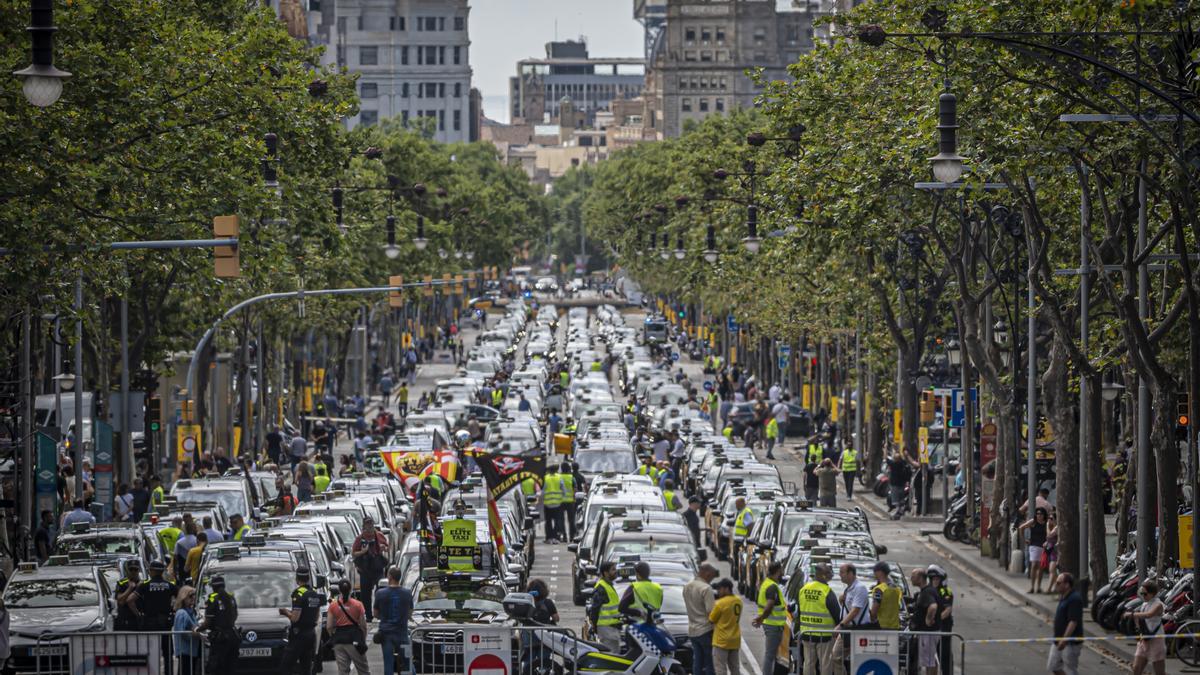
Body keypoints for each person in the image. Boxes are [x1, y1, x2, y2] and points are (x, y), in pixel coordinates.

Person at [797, 562, 841, 675]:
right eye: (828, 573)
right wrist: (839, 628)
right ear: (823, 575)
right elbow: (836, 613)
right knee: (825, 663)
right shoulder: (826, 592)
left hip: (807, 633)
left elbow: (800, 611)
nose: (831, 575)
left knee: (808, 663)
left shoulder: (804, 589)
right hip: (824, 635)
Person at [279, 568, 322, 675]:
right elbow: (316, 617)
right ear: (308, 578)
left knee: (285, 666)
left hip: (299, 636)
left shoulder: (298, 594)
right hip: (311, 635)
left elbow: (295, 618)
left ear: (297, 579)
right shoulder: (314, 594)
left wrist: (285, 612)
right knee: (306, 668)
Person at [139, 560, 177, 674]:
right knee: (167, 653)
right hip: (165, 624)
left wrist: (139, 613)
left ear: (152, 571)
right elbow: (182, 596)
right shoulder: (170, 586)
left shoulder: (144, 586)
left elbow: (131, 600)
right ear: (161, 572)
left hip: (150, 624)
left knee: (151, 653)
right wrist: (174, 610)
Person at [196, 574, 239, 673]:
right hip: (233, 636)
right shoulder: (231, 598)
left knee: (216, 668)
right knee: (230, 668)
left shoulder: (212, 599)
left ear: (213, 587)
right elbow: (235, 616)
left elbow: (207, 623)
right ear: (224, 585)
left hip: (220, 639)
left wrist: (197, 629)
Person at [374, 566, 413, 675]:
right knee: (408, 663)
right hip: (402, 633)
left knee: (388, 664)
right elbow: (410, 613)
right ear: (400, 577)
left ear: (389, 577)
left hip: (386, 634)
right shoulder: (407, 593)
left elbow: (375, 614)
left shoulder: (380, 593)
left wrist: (383, 617)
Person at [327, 579, 371, 675]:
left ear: (339, 590)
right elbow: (363, 625)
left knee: (343, 671)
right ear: (350, 589)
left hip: (339, 641)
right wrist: (362, 639)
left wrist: (333, 637)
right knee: (363, 670)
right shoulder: (358, 605)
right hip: (354, 640)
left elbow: (329, 626)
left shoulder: (333, 605)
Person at [832, 562, 870, 675]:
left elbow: (855, 611)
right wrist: (841, 601)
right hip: (847, 630)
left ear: (851, 574)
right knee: (835, 657)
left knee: (857, 662)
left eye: (842, 572)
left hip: (857, 630)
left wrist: (841, 625)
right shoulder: (848, 588)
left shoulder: (860, 588)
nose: (840, 575)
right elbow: (848, 608)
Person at [752, 562, 787, 675]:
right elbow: (769, 606)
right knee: (770, 655)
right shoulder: (772, 586)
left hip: (771, 624)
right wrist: (761, 618)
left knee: (771, 654)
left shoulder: (767, 583)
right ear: (777, 571)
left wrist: (761, 618)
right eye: (781, 570)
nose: (782, 572)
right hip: (773, 625)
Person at [683, 564, 718, 675]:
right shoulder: (706, 588)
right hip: (705, 630)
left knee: (697, 660)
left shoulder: (687, 586)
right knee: (709, 662)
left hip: (692, 630)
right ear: (707, 574)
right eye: (711, 577)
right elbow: (711, 612)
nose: (711, 579)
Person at [353, 517, 389, 621]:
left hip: (377, 568)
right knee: (365, 595)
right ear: (363, 527)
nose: (369, 529)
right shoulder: (359, 539)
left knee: (381, 589)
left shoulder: (379, 535)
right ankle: (368, 615)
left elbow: (387, 546)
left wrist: (382, 547)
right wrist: (363, 551)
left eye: (371, 526)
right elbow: (354, 553)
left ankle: (379, 611)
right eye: (367, 527)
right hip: (365, 570)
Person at [1048, 573, 1083, 675]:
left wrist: (1065, 639)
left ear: (1067, 585)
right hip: (1058, 640)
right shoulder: (1064, 596)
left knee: (1070, 670)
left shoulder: (1074, 599)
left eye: (1058, 583)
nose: (1056, 584)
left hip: (1070, 642)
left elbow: (1073, 621)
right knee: (1053, 665)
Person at [909, 567, 941, 675]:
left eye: (913, 577)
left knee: (929, 661)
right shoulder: (927, 591)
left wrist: (928, 620)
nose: (911, 579)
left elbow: (933, 606)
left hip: (928, 632)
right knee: (930, 660)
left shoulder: (927, 592)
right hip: (929, 632)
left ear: (921, 578)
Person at [1130, 580, 1166, 675]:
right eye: (1141, 593)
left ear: (1152, 593)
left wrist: (1132, 614)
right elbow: (1140, 619)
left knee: (1159, 672)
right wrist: (1139, 629)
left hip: (1156, 640)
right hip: (1145, 639)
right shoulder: (1145, 604)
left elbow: (1149, 615)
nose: (1143, 596)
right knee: (1136, 668)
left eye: (1145, 594)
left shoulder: (1158, 604)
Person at [709, 578, 742, 675]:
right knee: (735, 668)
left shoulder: (720, 603)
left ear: (727, 589)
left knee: (720, 669)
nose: (718, 591)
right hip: (735, 640)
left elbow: (711, 619)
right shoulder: (738, 601)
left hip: (721, 641)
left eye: (720, 589)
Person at [588, 562, 623, 652]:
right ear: (605, 573)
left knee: (615, 655)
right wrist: (594, 626)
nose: (616, 571)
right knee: (611, 657)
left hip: (612, 628)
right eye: (613, 569)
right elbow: (595, 609)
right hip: (606, 629)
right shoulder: (601, 588)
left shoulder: (608, 585)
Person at [1020, 507, 1050, 593]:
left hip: (1043, 547)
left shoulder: (1047, 523)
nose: (1039, 515)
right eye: (1037, 514)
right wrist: (1024, 539)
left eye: (1041, 514)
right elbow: (1021, 527)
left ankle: (1038, 587)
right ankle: (1032, 587)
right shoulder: (1033, 522)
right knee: (1034, 565)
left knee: (1040, 568)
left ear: (1044, 515)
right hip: (1033, 546)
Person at [172, 586, 201, 675]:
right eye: (191, 595)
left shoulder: (191, 612)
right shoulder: (181, 613)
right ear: (183, 597)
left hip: (192, 651)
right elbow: (182, 632)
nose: (193, 597)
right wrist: (195, 634)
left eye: (194, 595)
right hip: (185, 651)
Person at [932, 565, 955, 675]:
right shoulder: (930, 591)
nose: (934, 581)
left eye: (936, 579)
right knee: (932, 656)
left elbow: (947, 610)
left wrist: (936, 619)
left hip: (943, 628)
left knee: (944, 654)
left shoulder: (946, 592)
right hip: (932, 628)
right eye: (932, 579)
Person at [869, 561, 902, 630]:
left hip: (881, 627)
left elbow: (874, 611)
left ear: (880, 572)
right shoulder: (897, 589)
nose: (874, 574)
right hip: (895, 627)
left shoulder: (879, 590)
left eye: (875, 572)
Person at [114, 560, 143, 630]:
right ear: (127, 570)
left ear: (139, 570)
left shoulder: (143, 584)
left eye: (135, 569)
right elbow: (120, 601)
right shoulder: (121, 583)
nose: (133, 571)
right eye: (131, 569)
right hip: (125, 619)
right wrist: (129, 589)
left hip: (138, 620)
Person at [542, 465, 566, 544]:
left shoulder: (546, 478)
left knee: (548, 522)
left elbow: (543, 491)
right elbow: (564, 490)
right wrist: (561, 498)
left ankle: (549, 537)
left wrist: (543, 499)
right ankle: (556, 537)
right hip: (557, 504)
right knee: (557, 521)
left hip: (547, 504)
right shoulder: (559, 477)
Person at [886, 452, 913, 519]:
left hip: (895, 484)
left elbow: (886, 459)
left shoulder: (893, 464)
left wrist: (884, 450)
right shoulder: (903, 464)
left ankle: (898, 512)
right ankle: (901, 510)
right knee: (901, 498)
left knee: (895, 500)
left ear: (895, 459)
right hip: (902, 484)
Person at [732, 498, 753, 570]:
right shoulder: (741, 512)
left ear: (742, 503)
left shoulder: (746, 512)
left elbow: (750, 526)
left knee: (741, 561)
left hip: (742, 542)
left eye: (737, 504)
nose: (736, 506)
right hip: (739, 541)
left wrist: (747, 539)